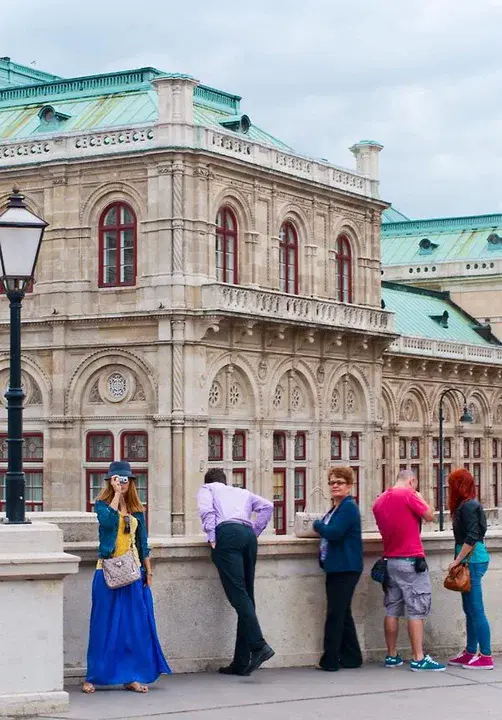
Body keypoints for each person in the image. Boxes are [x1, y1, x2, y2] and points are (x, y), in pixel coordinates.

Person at [82, 460, 171, 694]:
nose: (121, 483)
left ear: (131, 482)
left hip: (133, 573)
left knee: (133, 628)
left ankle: (131, 676)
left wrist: (148, 572)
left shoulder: (137, 510)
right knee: (102, 625)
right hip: (107, 572)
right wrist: (115, 496)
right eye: (116, 479)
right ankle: (94, 676)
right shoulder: (102, 505)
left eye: (124, 479)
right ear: (110, 481)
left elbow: (143, 544)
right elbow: (108, 522)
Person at [197, 468, 274, 675]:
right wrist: (254, 531)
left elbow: (207, 512)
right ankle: (241, 662)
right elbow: (268, 506)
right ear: (225, 481)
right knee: (247, 596)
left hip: (227, 535)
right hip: (247, 535)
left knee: (238, 595)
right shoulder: (242, 492)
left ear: (209, 481)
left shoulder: (207, 489)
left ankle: (259, 646)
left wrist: (212, 536)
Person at [372, 469, 445, 672]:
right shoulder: (408, 494)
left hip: (390, 561)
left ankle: (392, 655)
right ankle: (418, 658)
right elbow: (429, 515)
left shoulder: (379, 501)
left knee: (392, 609)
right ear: (412, 481)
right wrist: (420, 496)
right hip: (411, 561)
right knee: (416, 609)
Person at [312, 466, 363, 672]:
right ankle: (352, 657)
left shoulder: (348, 507)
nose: (335, 486)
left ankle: (330, 660)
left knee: (335, 613)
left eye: (340, 482)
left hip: (345, 567)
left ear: (349, 486)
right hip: (339, 566)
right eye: (332, 482)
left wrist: (317, 525)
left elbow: (334, 533)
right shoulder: (338, 507)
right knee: (343, 612)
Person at [447, 468, 493, 670]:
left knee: (476, 609)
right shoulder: (467, 505)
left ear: (459, 486)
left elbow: (472, 537)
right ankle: (470, 651)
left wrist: (457, 560)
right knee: (469, 609)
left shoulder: (468, 506)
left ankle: (486, 656)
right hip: (471, 559)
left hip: (472, 560)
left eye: (451, 484)